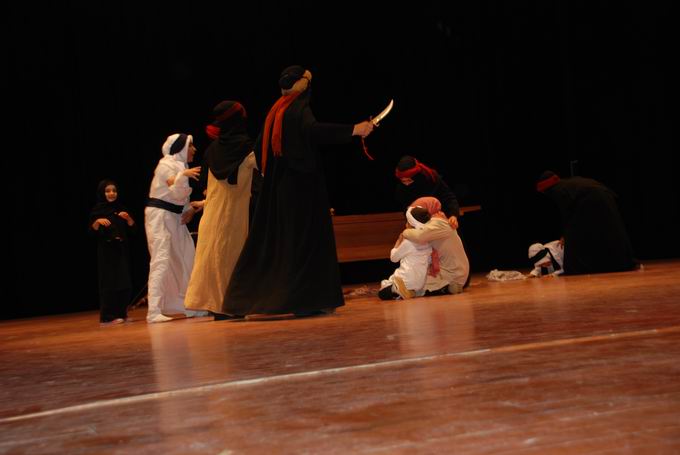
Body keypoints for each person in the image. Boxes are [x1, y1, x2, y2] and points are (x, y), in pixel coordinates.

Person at [220, 65, 374, 320]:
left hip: (279, 190)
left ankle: (248, 301)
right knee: (304, 244)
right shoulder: (297, 108)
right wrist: (354, 129)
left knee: (277, 244)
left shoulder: (276, 111)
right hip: (301, 190)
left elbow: (259, 149)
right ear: (304, 85)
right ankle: (305, 301)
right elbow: (312, 131)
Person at [184, 101, 258, 319]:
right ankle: (232, 306)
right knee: (231, 258)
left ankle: (218, 307)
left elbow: (210, 186)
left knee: (214, 259)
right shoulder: (246, 148)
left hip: (212, 215)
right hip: (232, 215)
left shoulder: (212, 150)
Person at [144, 133, 205, 323]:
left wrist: (190, 209)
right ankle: (153, 311)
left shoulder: (181, 167)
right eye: (191, 146)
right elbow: (173, 186)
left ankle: (189, 305)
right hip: (159, 217)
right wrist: (182, 175)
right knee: (161, 259)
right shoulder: (166, 164)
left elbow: (181, 199)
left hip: (174, 217)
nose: (194, 149)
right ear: (181, 148)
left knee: (186, 257)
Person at [536, 170, 636, 274]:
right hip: (604, 197)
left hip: (592, 201)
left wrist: (565, 234)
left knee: (577, 236)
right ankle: (619, 263)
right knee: (607, 231)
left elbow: (567, 213)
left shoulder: (557, 190)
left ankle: (581, 268)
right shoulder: (567, 184)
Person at [401, 196, 470, 295]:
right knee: (415, 278)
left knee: (415, 282)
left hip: (453, 272)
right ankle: (447, 287)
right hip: (452, 270)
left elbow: (419, 236)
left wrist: (405, 232)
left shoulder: (438, 223)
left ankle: (447, 287)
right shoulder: (436, 221)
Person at [89, 179, 135, 325]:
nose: (111, 193)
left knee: (124, 283)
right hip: (107, 252)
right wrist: (97, 223)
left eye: (114, 191)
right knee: (109, 284)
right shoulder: (97, 210)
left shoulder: (121, 208)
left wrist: (129, 219)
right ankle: (107, 317)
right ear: (102, 193)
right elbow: (91, 232)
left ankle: (122, 313)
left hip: (121, 249)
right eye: (108, 191)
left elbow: (133, 230)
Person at [378, 207, 433, 300]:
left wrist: (399, 241)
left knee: (382, 293)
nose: (405, 224)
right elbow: (430, 260)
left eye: (407, 222)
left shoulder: (409, 242)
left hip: (406, 279)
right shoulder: (428, 241)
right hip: (420, 282)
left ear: (411, 224)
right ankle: (410, 291)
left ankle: (397, 289)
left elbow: (393, 258)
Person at [394, 156, 461, 229]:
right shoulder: (401, 188)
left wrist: (453, 215)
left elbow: (449, 198)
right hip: (420, 224)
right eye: (403, 181)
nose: (406, 184)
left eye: (409, 180)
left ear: (417, 176)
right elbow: (407, 209)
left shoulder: (432, 179)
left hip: (443, 220)